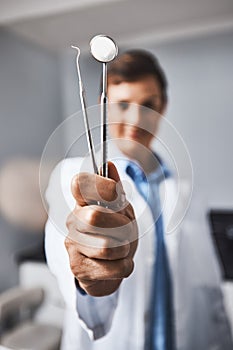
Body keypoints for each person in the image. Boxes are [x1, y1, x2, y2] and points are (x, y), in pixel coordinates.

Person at [45, 50, 233, 350]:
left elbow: (207, 280)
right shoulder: (73, 177)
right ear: (103, 107)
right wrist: (90, 280)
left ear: (163, 107)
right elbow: (66, 259)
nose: (136, 119)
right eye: (122, 105)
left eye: (148, 105)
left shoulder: (187, 189)